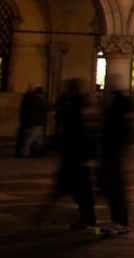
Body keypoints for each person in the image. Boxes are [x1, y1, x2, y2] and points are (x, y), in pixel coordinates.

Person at [35, 79, 96, 230]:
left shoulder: (74, 109)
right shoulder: (79, 107)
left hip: (75, 158)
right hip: (76, 158)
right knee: (79, 192)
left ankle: (40, 217)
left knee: (74, 191)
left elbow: (76, 132)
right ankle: (87, 218)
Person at [97, 89, 133, 234]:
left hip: (113, 159)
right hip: (111, 159)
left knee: (115, 190)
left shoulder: (116, 121)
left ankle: (120, 222)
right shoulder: (117, 120)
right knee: (112, 190)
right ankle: (118, 221)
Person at [15, 86, 47, 158]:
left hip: (35, 123)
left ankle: (29, 152)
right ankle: (26, 153)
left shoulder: (35, 100)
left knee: (33, 139)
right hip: (37, 123)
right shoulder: (39, 101)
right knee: (31, 139)